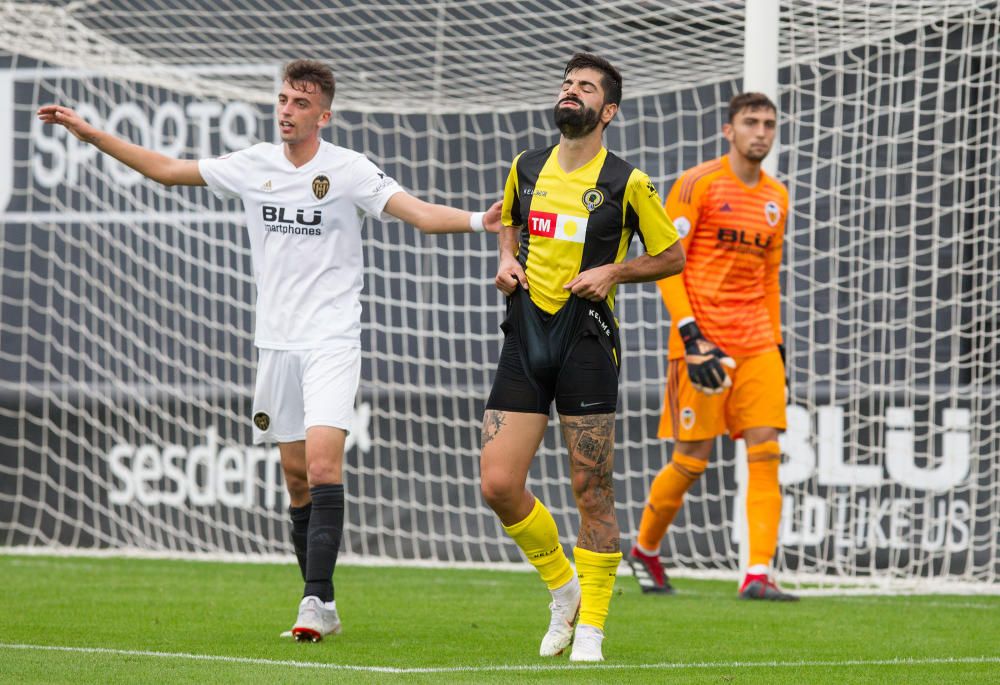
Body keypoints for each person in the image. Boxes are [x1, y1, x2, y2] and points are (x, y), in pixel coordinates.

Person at [38, 59, 502, 641]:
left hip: (332, 340)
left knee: (323, 464)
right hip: (275, 343)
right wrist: (92, 134)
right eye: (283, 99)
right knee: (296, 479)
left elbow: (419, 216)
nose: (286, 110)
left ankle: (314, 601)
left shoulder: (349, 170)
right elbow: (165, 170)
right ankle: (325, 607)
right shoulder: (253, 164)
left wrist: (478, 223)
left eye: (300, 103)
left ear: (323, 115)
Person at [481, 53, 685, 662]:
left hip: (587, 343)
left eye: (586, 87)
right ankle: (563, 588)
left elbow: (672, 257)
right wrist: (506, 259)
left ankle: (591, 626)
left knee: (591, 487)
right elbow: (509, 222)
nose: (571, 92)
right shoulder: (526, 167)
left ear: (608, 111)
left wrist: (616, 269)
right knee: (497, 484)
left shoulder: (630, 182)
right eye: (567, 83)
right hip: (524, 337)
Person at [627, 92, 796, 601]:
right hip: (702, 343)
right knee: (692, 458)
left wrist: (779, 347)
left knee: (766, 450)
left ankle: (758, 574)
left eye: (768, 123)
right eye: (751, 122)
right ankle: (645, 550)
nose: (761, 132)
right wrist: (689, 334)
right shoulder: (697, 183)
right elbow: (667, 262)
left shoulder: (776, 198)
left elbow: (770, 277)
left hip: (758, 345)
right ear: (729, 130)